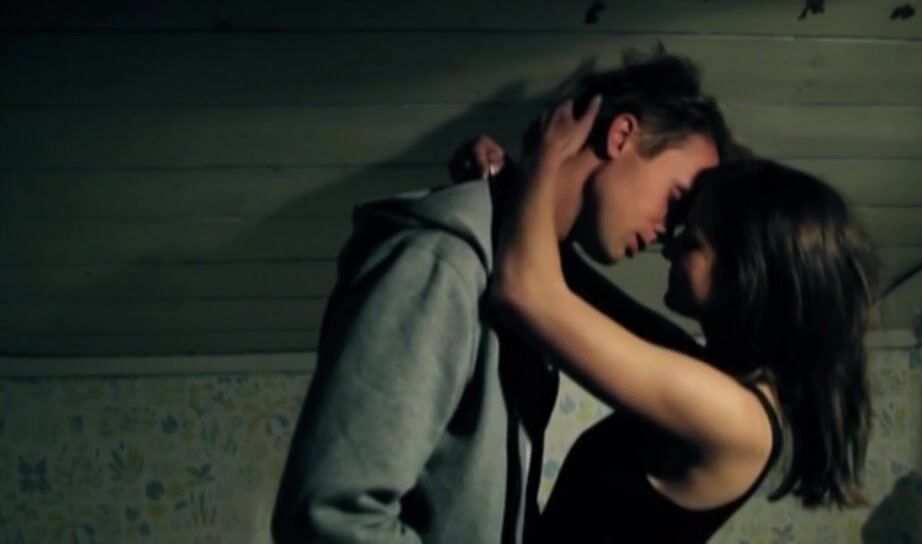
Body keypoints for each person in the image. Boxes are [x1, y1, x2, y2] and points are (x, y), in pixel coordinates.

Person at [270, 53, 732, 544]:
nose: (668, 232)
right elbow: (331, 516)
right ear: (620, 136)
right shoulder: (442, 262)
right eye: (675, 199)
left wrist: (519, 186)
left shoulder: (526, 279)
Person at [491, 98, 881, 543]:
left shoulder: (736, 419)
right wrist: (505, 183)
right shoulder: (712, 376)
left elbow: (524, 292)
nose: (670, 249)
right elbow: (568, 279)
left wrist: (546, 156)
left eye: (692, 241)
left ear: (746, 272)